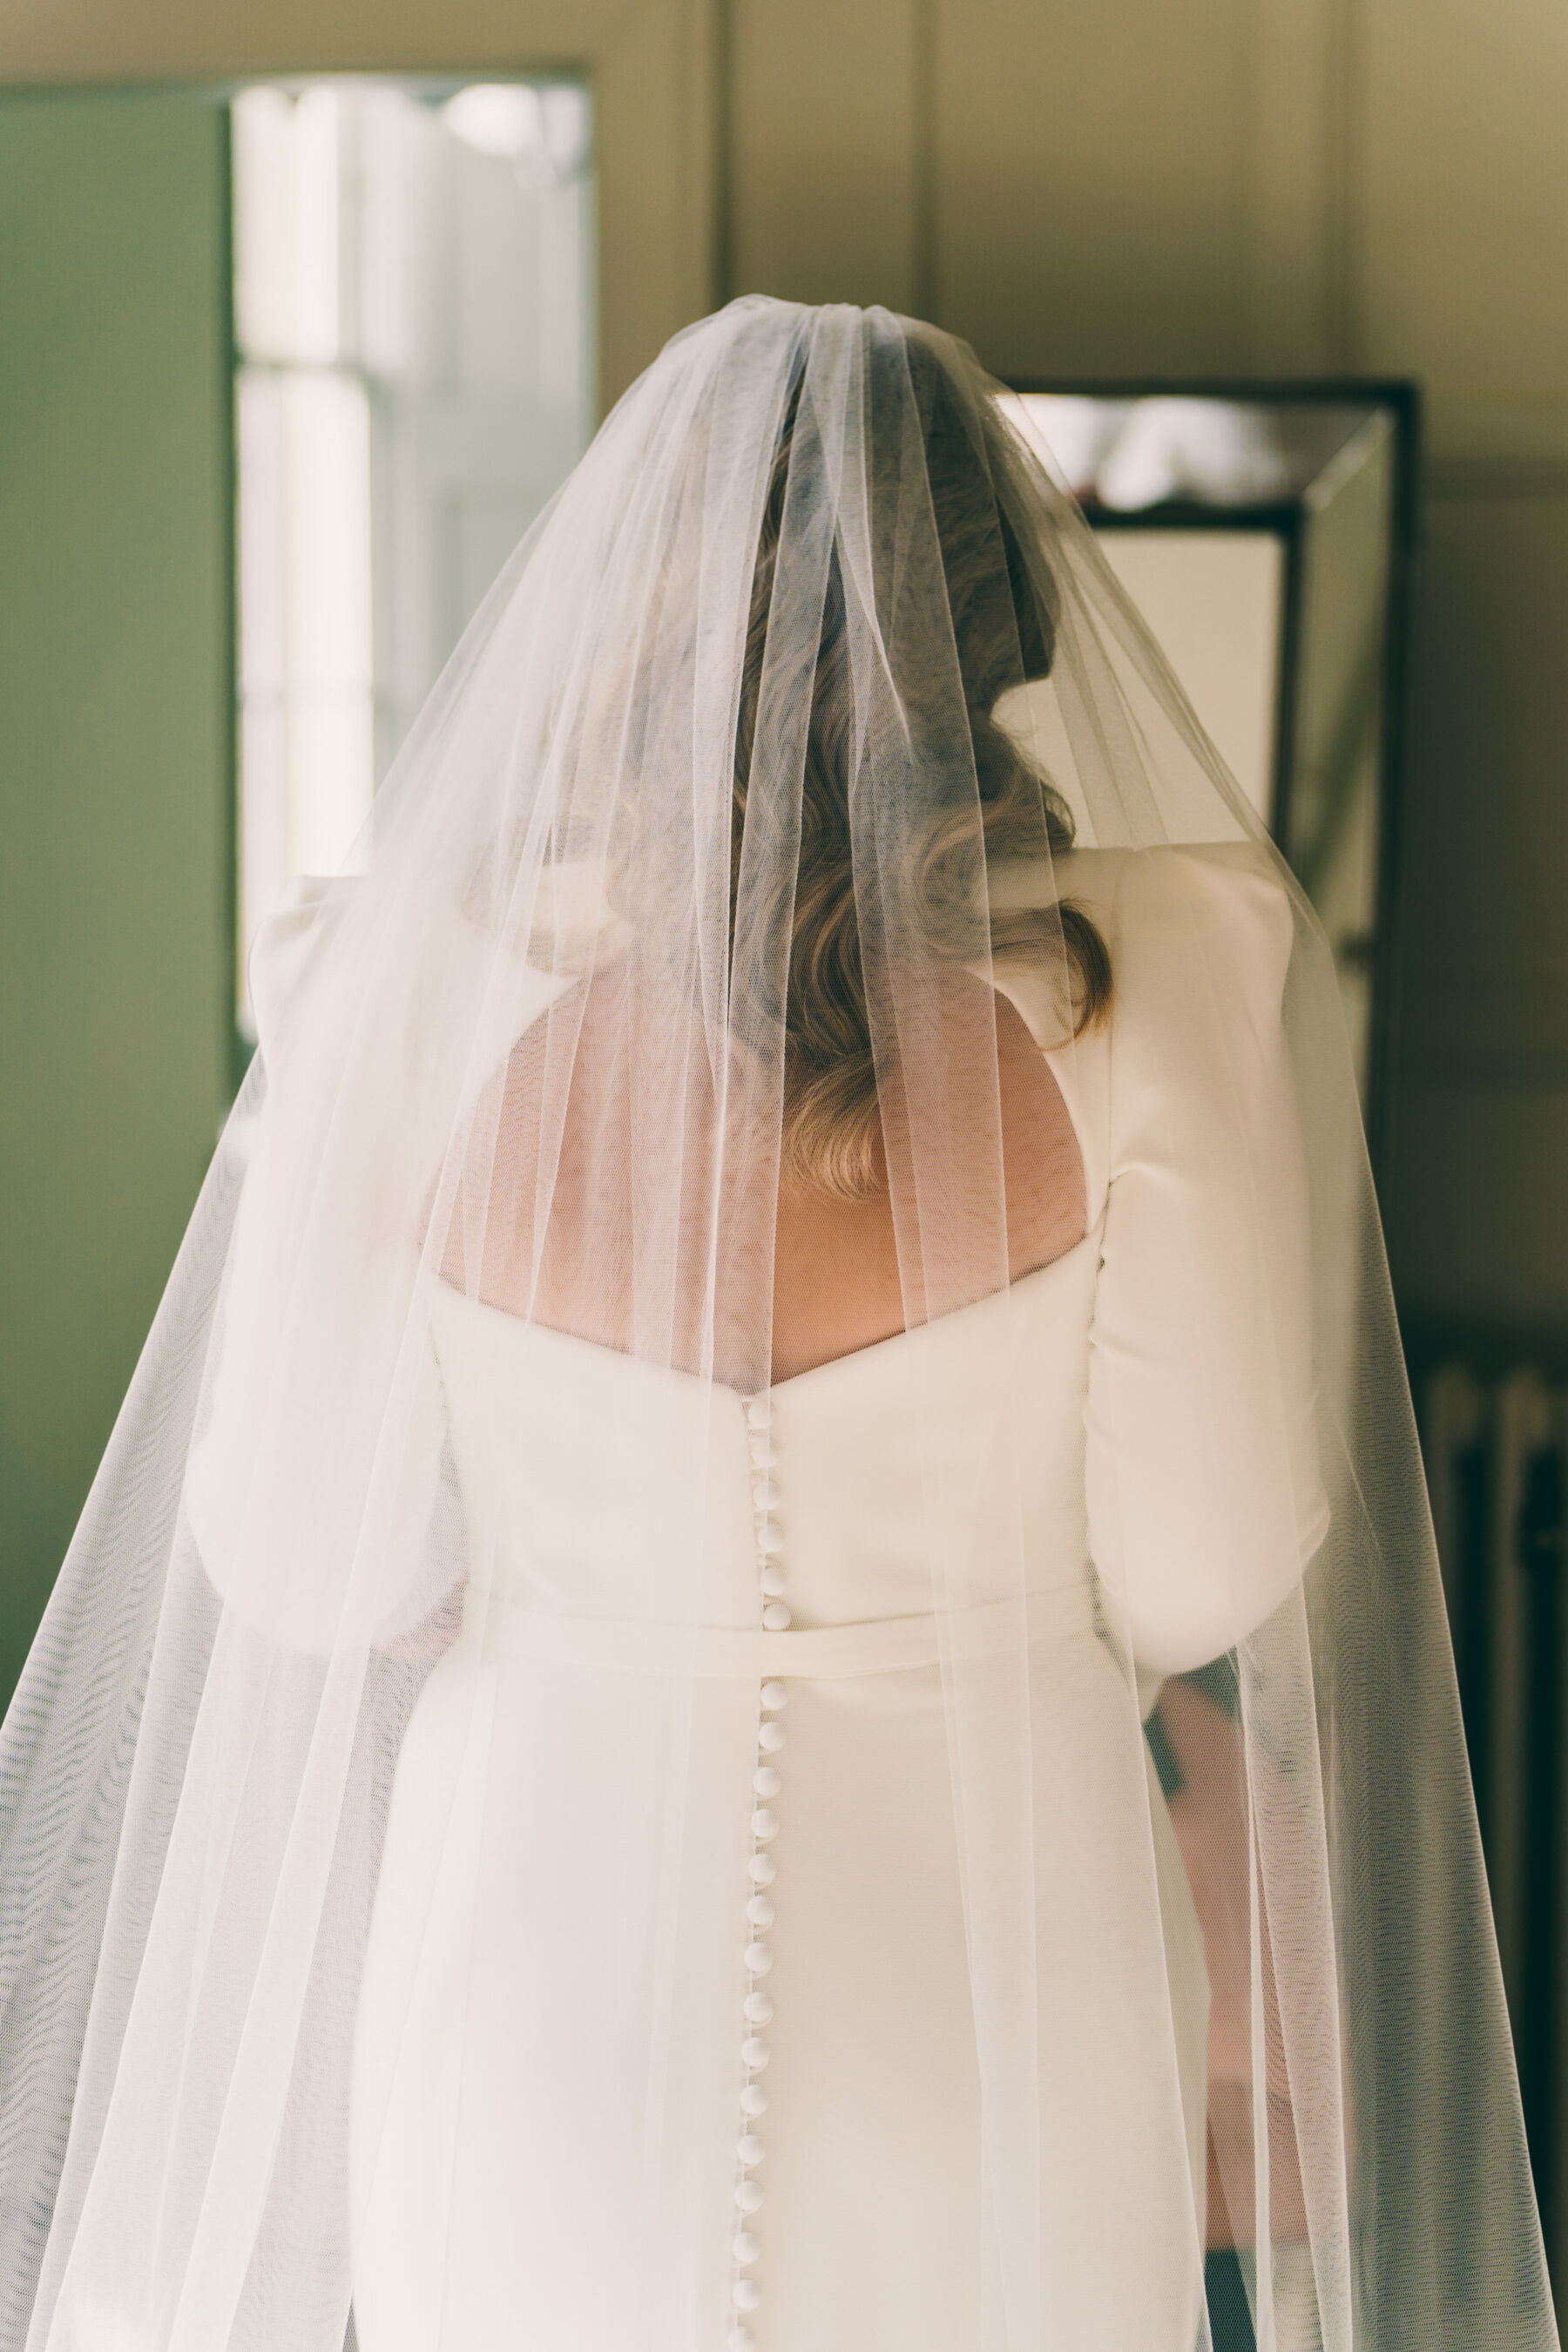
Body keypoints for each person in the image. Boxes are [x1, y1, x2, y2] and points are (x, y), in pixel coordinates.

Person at [0, 299, 1552, 2352]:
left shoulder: (410, 989)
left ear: (624, 623)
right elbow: (1208, 1561)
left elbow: (302, 1557)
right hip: (994, 2008)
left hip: (531, 1994)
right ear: (1009, 619)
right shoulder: (1155, 981)